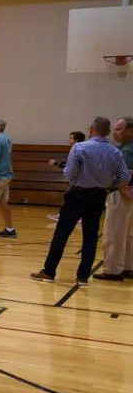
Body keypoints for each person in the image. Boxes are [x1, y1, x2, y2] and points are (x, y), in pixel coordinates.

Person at [31, 117, 132, 286]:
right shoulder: (115, 152)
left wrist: (78, 180)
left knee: (61, 234)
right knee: (90, 237)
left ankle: (49, 271)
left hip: (77, 195)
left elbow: (69, 173)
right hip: (99, 196)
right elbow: (124, 177)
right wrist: (109, 186)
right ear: (107, 132)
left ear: (91, 130)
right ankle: (83, 276)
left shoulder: (79, 147)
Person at [95, 116, 133, 282]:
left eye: (119, 129)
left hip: (121, 194)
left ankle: (112, 270)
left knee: (114, 234)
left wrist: (120, 187)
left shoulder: (125, 151)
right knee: (129, 234)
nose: (114, 133)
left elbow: (124, 174)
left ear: (130, 131)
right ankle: (128, 266)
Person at [47, 131, 87, 223]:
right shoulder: (82, 149)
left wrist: (56, 163)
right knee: (75, 198)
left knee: (69, 197)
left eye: (71, 137)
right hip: (80, 179)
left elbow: (70, 166)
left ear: (76, 140)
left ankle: (61, 216)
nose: (69, 139)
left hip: (77, 179)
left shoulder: (75, 150)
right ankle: (77, 216)